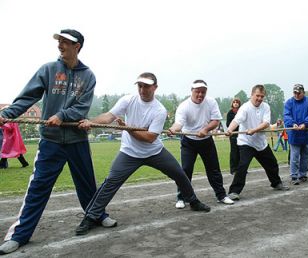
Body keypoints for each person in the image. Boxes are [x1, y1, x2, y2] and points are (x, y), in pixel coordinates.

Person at [0, 29, 115, 255]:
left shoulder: (88, 76)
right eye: (59, 41)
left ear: (77, 46)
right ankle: (20, 235)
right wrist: (8, 113)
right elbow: (27, 97)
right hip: (50, 141)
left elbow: (82, 107)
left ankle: (96, 215)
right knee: (38, 187)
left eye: (65, 42)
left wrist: (62, 115)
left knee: (87, 184)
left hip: (77, 140)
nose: (60, 45)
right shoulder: (48, 69)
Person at [75, 73, 211, 235]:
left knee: (180, 174)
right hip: (129, 153)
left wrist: (128, 128)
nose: (142, 89)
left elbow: (150, 138)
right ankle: (91, 216)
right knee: (110, 182)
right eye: (140, 86)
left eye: (146, 86)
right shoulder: (128, 100)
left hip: (154, 151)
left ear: (155, 87)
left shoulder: (159, 110)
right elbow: (109, 116)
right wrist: (92, 122)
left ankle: (193, 201)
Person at [168, 80, 234, 208]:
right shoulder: (184, 106)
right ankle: (181, 198)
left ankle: (221, 195)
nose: (200, 95)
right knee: (186, 170)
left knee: (214, 169)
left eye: (203, 92)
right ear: (191, 91)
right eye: (197, 92)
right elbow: (179, 124)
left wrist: (205, 129)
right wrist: (173, 130)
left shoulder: (211, 102)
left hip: (206, 141)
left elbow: (216, 120)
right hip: (188, 141)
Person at [226, 85, 289, 200]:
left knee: (272, 163)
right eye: (257, 96)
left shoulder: (266, 107)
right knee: (242, 166)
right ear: (252, 95)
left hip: (261, 143)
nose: (259, 98)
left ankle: (276, 183)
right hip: (246, 142)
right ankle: (234, 192)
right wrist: (230, 129)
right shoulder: (245, 107)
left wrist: (254, 130)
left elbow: (266, 124)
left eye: (262, 96)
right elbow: (237, 120)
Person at [284, 84, 308, 185]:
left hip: (306, 132)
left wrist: (305, 123)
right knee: (294, 156)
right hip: (294, 133)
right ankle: (294, 176)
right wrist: (292, 123)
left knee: (306, 155)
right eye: (295, 93)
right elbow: (286, 115)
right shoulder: (289, 102)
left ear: (303, 93)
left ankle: (303, 175)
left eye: (299, 93)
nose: (297, 95)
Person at [226, 98, 241, 175]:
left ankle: (240, 169)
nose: (235, 103)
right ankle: (233, 169)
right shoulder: (230, 113)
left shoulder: (241, 112)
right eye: (234, 102)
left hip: (241, 134)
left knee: (240, 152)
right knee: (234, 152)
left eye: (237, 102)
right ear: (232, 104)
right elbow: (228, 124)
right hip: (233, 135)